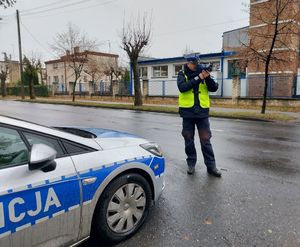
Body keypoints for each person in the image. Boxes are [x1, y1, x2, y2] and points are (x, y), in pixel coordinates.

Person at [177, 54, 222, 177]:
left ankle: (211, 166)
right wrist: (198, 77)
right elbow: (182, 87)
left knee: (206, 139)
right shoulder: (182, 74)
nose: (194, 66)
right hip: (187, 112)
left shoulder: (203, 72)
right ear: (188, 63)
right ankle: (191, 164)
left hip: (202, 112)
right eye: (192, 64)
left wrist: (206, 77)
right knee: (188, 139)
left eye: (196, 64)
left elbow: (214, 88)